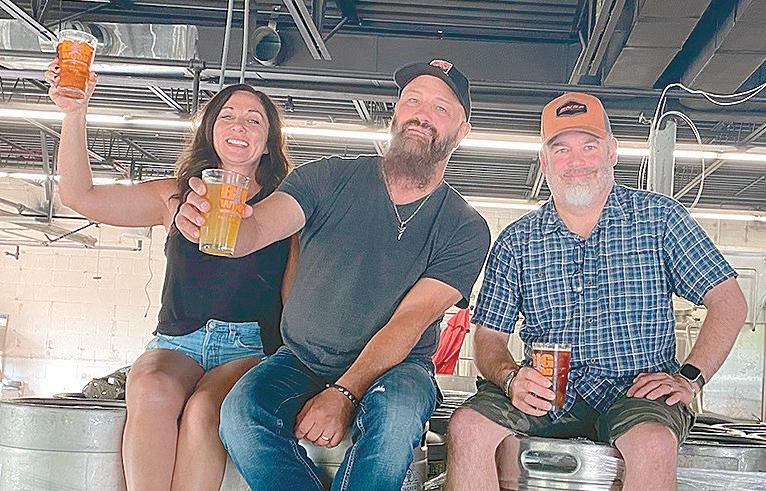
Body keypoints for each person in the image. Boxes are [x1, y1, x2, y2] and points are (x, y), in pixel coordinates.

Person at [175, 59, 491, 490]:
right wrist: (213, 224)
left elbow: (409, 321)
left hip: (398, 368)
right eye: (412, 100)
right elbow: (256, 229)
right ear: (396, 113)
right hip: (301, 359)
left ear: (462, 130)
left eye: (440, 108)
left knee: (397, 419)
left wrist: (344, 393)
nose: (421, 114)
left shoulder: (464, 227)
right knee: (240, 415)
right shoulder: (326, 178)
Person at [446, 92, 748, 491]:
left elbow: (729, 302)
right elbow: (489, 336)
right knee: (467, 427)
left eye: (589, 146)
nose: (577, 161)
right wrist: (510, 377)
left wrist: (690, 377)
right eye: (562, 149)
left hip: (636, 392)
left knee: (653, 444)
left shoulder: (660, 219)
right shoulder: (517, 241)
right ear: (544, 162)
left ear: (612, 151)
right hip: (547, 393)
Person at [46, 61, 298, 490]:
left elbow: (295, 293)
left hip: (249, 347)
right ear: (211, 131)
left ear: (268, 141)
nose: (239, 125)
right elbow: (79, 196)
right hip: (177, 341)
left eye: (254, 120)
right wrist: (75, 112)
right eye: (227, 116)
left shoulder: (285, 207)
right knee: (150, 386)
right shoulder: (175, 195)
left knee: (204, 410)